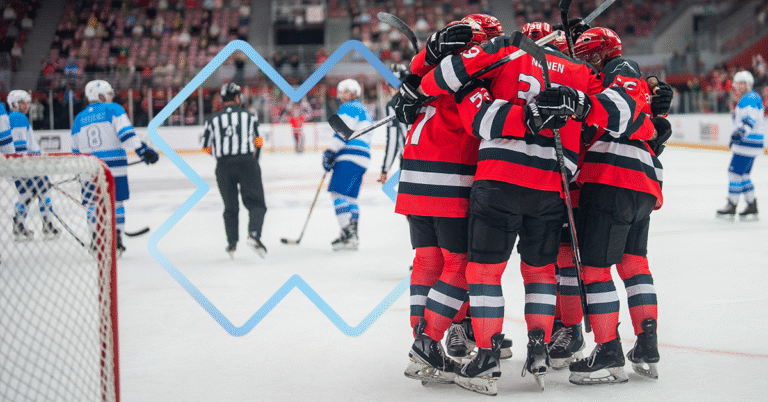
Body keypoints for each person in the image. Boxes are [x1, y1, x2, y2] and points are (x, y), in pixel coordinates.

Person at [538, 27, 668, 385]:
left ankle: (609, 350)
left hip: (612, 176)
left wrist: (580, 104)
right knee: (633, 264)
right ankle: (646, 344)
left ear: (598, 53)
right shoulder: (622, 77)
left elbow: (618, 112)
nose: (581, 61)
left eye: (585, 54)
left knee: (593, 270)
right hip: (641, 181)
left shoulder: (621, 68)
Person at [392, 15, 506, 385]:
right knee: (458, 265)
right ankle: (429, 341)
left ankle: (424, 343)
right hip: (450, 177)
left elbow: (416, 82)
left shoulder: (433, 72)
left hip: (413, 176)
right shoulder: (475, 70)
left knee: (426, 262)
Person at [71, 80, 159, 256]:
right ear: (101, 95)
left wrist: (78, 172)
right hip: (114, 168)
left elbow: (75, 150)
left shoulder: (79, 118)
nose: (111, 97)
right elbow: (126, 135)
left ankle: (96, 240)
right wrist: (144, 151)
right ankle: (117, 239)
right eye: (108, 94)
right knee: (116, 202)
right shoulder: (113, 109)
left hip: (89, 168)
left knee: (92, 204)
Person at [201, 82, 267, 258]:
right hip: (247, 162)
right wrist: (254, 159)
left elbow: (205, 146)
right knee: (256, 203)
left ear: (222, 100)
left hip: (224, 165)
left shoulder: (213, 119)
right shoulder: (249, 116)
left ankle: (231, 244)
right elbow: (258, 141)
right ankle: (254, 234)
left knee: (230, 205)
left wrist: (221, 157)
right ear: (238, 98)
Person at [322, 79, 372, 251]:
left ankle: (347, 233)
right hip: (363, 158)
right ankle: (353, 234)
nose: (342, 95)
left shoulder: (349, 108)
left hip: (350, 155)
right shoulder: (364, 111)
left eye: (346, 91)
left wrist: (330, 152)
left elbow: (343, 130)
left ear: (355, 93)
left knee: (337, 193)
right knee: (351, 198)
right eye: (341, 91)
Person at [7, 90, 60, 241]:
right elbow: (20, 147)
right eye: (23, 102)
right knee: (44, 193)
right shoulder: (18, 118)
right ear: (14, 104)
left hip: (18, 167)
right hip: (28, 167)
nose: (26, 106)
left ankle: (19, 225)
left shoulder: (12, 118)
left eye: (27, 103)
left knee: (25, 195)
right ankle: (48, 224)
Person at [716, 70, 763, 221]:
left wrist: (741, 132)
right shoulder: (749, 98)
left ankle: (732, 204)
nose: (740, 86)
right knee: (743, 175)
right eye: (738, 83)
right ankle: (751, 204)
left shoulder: (749, 98)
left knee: (734, 173)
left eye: (743, 83)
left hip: (747, 142)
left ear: (749, 84)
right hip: (751, 143)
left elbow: (751, 119)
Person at [378, 63, 408, 186]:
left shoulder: (393, 105)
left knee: (408, 203)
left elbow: (393, 140)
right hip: (429, 157)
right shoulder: (419, 99)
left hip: (409, 161)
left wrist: (385, 169)